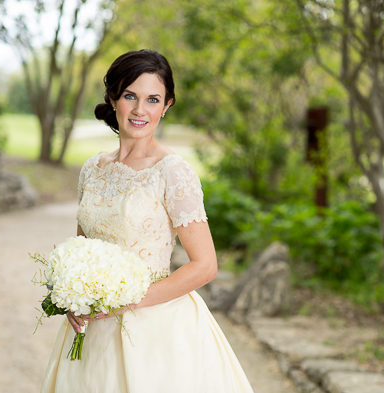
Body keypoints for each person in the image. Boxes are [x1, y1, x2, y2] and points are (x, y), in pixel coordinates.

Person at [40, 49, 255, 393]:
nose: (141, 110)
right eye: (130, 96)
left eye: (152, 99)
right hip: (91, 329)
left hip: (156, 332)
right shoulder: (92, 170)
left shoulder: (172, 172)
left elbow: (205, 266)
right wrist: (72, 298)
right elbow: (82, 250)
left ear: (167, 105)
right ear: (113, 98)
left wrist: (127, 302)